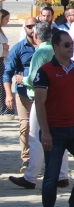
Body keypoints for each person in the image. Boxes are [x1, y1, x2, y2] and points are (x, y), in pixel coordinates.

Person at [33, 29, 74, 207]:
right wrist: (45, 131)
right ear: (56, 47)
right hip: (55, 130)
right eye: (67, 44)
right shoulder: (45, 71)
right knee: (51, 175)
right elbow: (40, 103)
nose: (71, 47)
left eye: (72, 44)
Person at [10, 22, 70, 190]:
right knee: (60, 135)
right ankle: (62, 175)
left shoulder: (41, 51)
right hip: (59, 96)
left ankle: (30, 177)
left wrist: (22, 80)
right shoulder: (57, 48)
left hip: (42, 97)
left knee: (35, 136)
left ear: (36, 36)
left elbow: (34, 78)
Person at [4, 17, 37, 170]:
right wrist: (8, 94)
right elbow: (7, 72)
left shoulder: (45, 47)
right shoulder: (18, 48)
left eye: (34, 25)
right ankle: (26, 158)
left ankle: (41, 156)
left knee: (43, 126)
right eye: (29, 26)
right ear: (24, 29)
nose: (32, 28)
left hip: (42, 92)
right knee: (25, 125)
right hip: (23, 93)